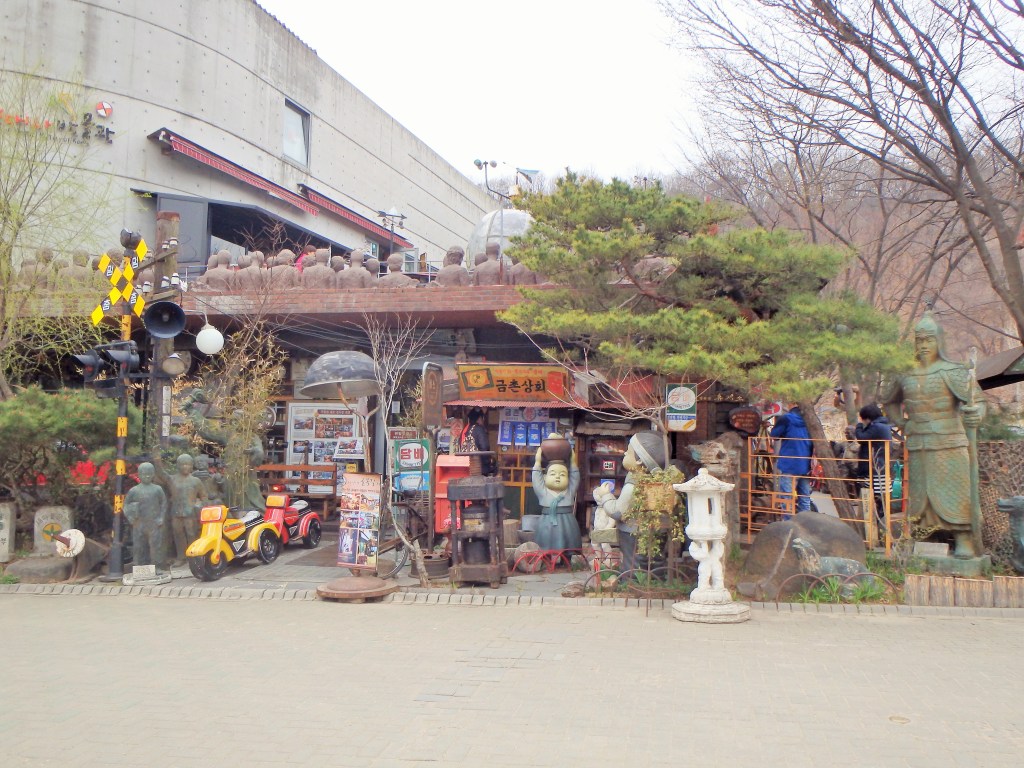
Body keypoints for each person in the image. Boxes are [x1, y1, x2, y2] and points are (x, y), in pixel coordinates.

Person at [884, 312, 984, 557]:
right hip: (919, 442)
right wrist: (903, 424)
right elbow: (889, 402)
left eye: (929, 340)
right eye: (919, 340)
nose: (924, 345)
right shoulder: (905, 373)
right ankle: (921, 537)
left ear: (939, 341)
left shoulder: (954, 371)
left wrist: (976, 414)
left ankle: (964, 539)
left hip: (950, 441)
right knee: (919, 494)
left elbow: (978, 401)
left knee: (956, 491)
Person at [592, 430, 666, 575]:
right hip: (659, 527)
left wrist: (605, 495)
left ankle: (631, 584)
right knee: (655, 560)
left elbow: (618, 511)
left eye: (628, 451)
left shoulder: (634, 483)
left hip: (633, 530)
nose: (624, 453)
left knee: (633, 561)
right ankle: (657, 580)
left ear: (639, 460)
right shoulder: (659, 480)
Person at [531, 440, 582, 553]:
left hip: (567, 521)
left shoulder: (569, 491)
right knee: (545, 544)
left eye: (562, 474)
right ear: (544, 478)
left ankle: (568, 559)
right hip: (547, 521)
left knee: (568, 543)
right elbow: (536, 479)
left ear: (568, 479)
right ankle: (546, 558)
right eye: (553, 474)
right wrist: (537, 462)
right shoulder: (543, 492)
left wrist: (573, 462)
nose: (557, 477)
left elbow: (575, 477)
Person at [850, 404, 893, 521]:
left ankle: (877, 524)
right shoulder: (882, 425)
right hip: (880, 466)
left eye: (862, 418)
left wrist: (858, 426)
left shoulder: (876, 427)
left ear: (868, 417)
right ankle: (878, 522)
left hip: (875, 468)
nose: (862, 421)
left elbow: (861, 438)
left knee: (875, 497)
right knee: (878, 497)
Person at [769, 403, 813, 516]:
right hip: (806, 464)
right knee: (804, 498)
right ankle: (806, 522)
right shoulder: (810, 420)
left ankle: (789, 525)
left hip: (789, 463)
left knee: (787, 498)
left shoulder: (786, 418)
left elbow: (774, 435)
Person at [123, 462, 168, 569]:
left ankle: (156, 566)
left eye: (149, 473)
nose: (147, 476)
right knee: (139, 546)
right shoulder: (134, 490)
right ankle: (139, 567)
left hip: (154, 522)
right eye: (144, 473)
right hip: (139, 523)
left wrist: (161, 517)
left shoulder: (157, 489)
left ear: (153, 474)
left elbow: (164, 504)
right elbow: (126, 505)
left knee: (155, 546)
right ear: (139, 474)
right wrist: (130, 517)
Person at [166, 454, 207, 566]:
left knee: (191, 533)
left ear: (191, 466)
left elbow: (203, 496)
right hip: (176, 512)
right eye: (183, 464)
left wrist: (200, 504)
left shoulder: (196, 481)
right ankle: (181, 557)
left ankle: (194, 555)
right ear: (178, 466)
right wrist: (157, 460)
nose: (186, 467)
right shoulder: (172, 479)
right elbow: (160, 474)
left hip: (190, 513)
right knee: (178, 534)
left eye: (188, 464)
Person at [457, 407, 496, 475]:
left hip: (465, 463)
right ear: (479, 418)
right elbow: (484, 446)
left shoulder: (465, 430)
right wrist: (488, 461)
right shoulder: (479, 429)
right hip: (478, 466)